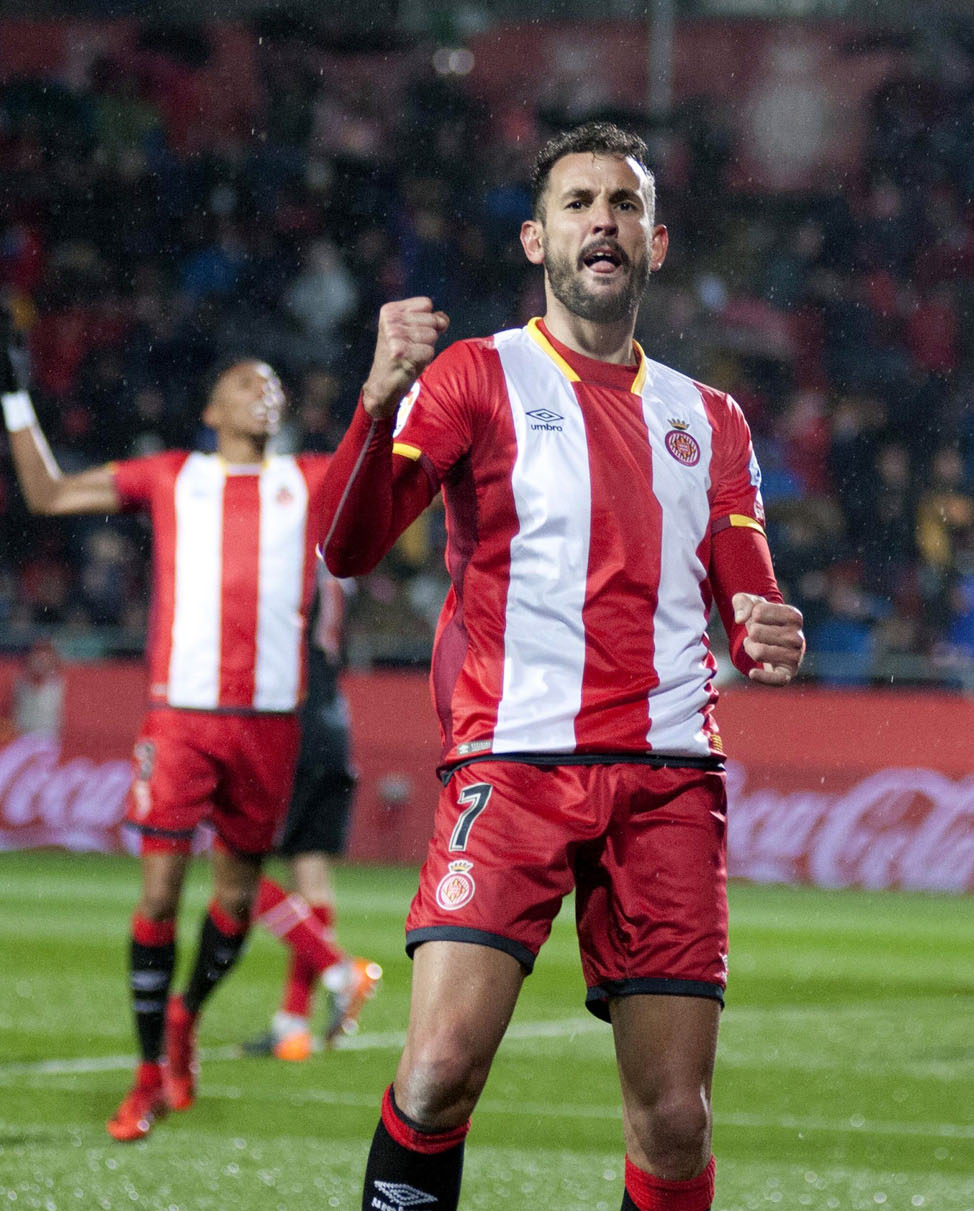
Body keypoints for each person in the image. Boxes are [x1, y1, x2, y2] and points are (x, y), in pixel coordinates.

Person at [316, 122, 807, 1211]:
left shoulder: (710, 417)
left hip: (666, 776)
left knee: (673, 1121)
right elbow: (349, 548)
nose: (602, 220)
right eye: (577, 202)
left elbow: (747, 589)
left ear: (655, 243)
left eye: (623, 204)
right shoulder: (473, 375)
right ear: (536, 239)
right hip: (513, 762)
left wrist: (766, 626)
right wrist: (374, 406)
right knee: (436, 1071)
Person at [0, 340, 367, 1142]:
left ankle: (184, 1020)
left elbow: (377, 466)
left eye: (273, 382)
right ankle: (145, 1076)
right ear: (212, 410)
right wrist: (15, 398)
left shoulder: (307, 479)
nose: (265, 390)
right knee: (161, 895)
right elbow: (47, 491)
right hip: (181, 720)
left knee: (235, 901)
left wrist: (383, 387)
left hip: (271, 725)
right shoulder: (171, 476)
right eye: (245, 381)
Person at [244, 565, 382, 1061]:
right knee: (312, 879)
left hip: (293, 728)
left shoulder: (291, 562)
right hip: (333, 727)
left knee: (238, 868)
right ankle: (292, 1026)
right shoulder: (339, 569)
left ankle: (340, 970)